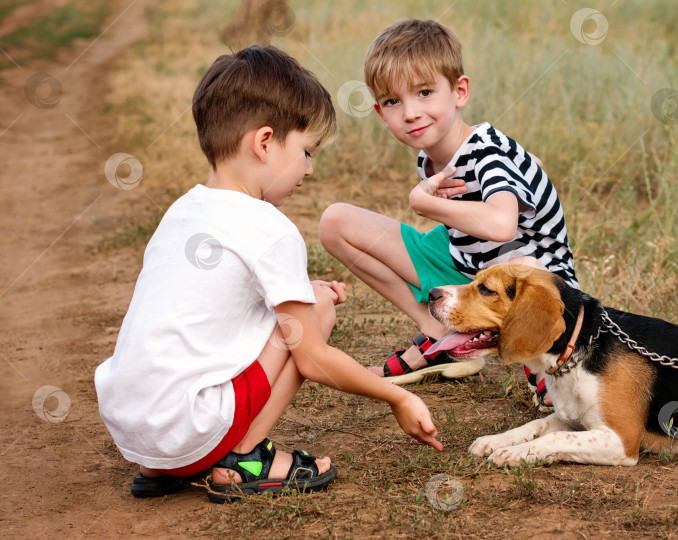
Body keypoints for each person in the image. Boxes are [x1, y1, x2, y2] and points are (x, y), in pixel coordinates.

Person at [94, 45, 442, 503]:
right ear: (264, 142)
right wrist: (397, 397)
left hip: (135, 427)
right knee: (314, 312)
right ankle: (245, 457)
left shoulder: (182, 211)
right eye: (306, 152)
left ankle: (162, 469)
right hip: (186, 428)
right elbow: (313, 359)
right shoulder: (270, 228)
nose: (310, 170)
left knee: (300, 303)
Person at [319, 19, 579, 410]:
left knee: (525, 264)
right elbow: (530, 166)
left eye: (425, 92)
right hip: (471, 269)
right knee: (335, 222)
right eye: (393, 101)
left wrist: (424, 203)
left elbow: (501, 224)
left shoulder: (487, 154)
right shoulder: (430, 156)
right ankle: (437, 328)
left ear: (460, 91)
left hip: (535, 288)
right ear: (379, 112)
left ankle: (544, 359)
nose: (410, 112)